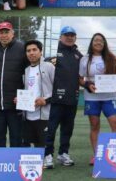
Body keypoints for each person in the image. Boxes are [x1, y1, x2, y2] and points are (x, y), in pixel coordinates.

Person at [79, 33, 116, 165]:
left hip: (109, 96)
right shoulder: (85, 59)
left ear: (104, 43)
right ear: (92, 43)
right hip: (92, 97)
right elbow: (80, 79)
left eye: (101, 41)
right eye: (96, 40)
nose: (98, 42)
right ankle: (97, 155)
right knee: (94, 125)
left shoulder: (111, 58)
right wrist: (87, 85)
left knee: (115, 123)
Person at [44, 26, 82, 169]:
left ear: (75, 37)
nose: (69, 37)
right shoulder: (53, 54)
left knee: (67, 129)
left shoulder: (79, 55)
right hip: (55, 101)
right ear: (60, 37)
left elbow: (83, 76)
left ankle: (63, 153)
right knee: (51, 128)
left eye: (72, 35)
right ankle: (47, 155)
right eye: (66, 35)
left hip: (72, 100)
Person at [0, 21, 27, 147]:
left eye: (7, 32)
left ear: (12, 33)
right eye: (1, 32)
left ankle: (16, 164)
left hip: (16, 104)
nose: (4, 35)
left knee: (17, 139)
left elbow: (30, 73)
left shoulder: (22, 48)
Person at [21, 40, 55, 147]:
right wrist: (20, 100)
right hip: (28, 116)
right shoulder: (25, 70)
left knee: (43, 144)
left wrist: (46, 100)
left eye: (34, 50)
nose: (31, 53)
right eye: (28, 51)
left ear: (41, 51)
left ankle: (46, 161)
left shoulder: (49, 67)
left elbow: (58, 90)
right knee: (32, 145)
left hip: (44, 115)